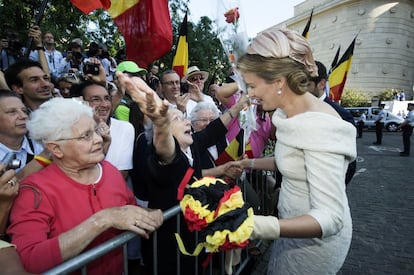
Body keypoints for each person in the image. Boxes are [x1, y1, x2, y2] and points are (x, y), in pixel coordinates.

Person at [233, 28, 356, 274]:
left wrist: (255, 226)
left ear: (279, 81)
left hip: (313, 246)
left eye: (253, 85)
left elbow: (331, 218)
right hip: (292, 231)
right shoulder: (291, 114)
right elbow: (292, 161)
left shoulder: (319, 125)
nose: (251, 94)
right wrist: (248, 164)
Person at [7, 98, 163, 274]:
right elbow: (30, 259)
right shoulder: (34, 191)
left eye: (96, 130)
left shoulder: (109, 170)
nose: (98, 139)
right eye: (86, 135)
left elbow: (130, 210)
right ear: (56, 149)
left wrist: (150, 216)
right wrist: (102, 220)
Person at [117, 72, 247, 275]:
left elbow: (215, 129)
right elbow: (165, 149)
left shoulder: (192, 147)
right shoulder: (166, 157)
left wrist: (240, 104)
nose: (186, 121)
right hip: (169, 245)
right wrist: (161, 123)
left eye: (183, 116)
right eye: (178, 119)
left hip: (191, 236)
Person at [308, 61, 357, 185]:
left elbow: (349, 164)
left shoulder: (341, 115)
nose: (300, 91)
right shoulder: (291, 111)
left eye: (306, 85)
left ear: (321, 84)